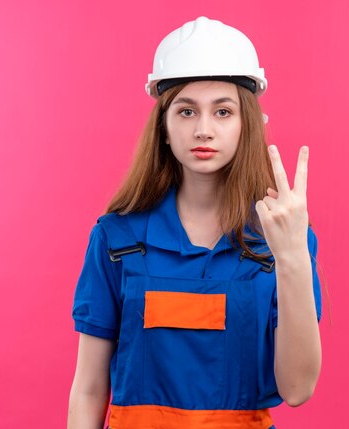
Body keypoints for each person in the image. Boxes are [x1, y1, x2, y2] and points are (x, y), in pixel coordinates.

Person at [67, 16, 323, 429]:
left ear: (249, 126)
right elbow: (89, 388)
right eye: (187, 111)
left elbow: (297, 389)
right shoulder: (116, 239)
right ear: (164, 129)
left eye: (223, 111)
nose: (203, 129)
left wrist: (292, 256)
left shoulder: (284, 240)